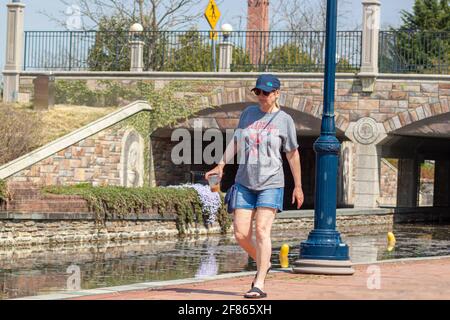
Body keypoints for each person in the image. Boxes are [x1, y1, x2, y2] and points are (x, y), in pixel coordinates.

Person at [205, 74, 304, 299]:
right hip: (244, 181)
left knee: (261, 230)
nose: (261, 96)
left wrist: (298, 186)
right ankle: (265, 262)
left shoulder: (284, 120)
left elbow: (292, 153)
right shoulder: (249, 114)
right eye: (257, 92)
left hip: (272, 183)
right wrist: (221, 164)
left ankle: (259, 283)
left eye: (266, 92)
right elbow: (237, 141)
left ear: (277, 93)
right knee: (240, 233)